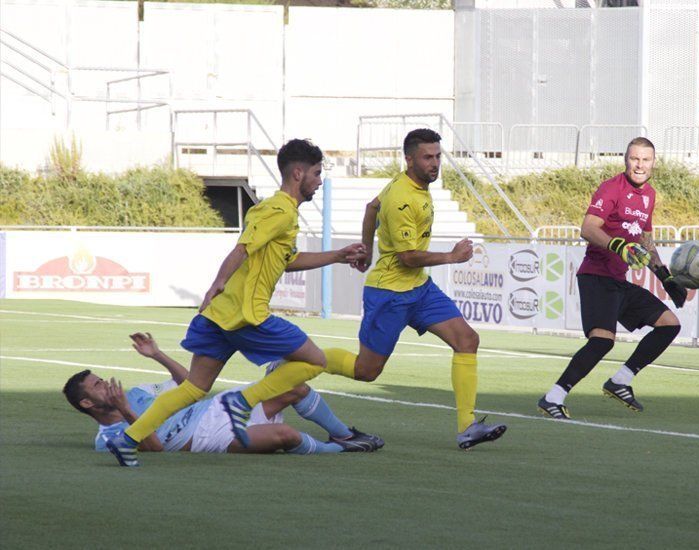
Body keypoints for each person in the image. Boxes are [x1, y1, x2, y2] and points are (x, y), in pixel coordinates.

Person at [106, 138, 367, 467]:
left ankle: (128, 439)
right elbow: (242, 248)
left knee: (193, 388)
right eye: (316, 173)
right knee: (314, 361)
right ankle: (244, 402)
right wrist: (217, 282)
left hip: (219, 317)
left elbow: (286, 259)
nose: (319, 181)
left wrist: (338, 256)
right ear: (298, 173)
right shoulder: (280, 210)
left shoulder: (273, 210)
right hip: (248, 316)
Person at [320, 129, 507, 450]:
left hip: (419, 288)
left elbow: (370, 207)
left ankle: (467, 427)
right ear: (409, 159)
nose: (435, 163)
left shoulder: (410, 184)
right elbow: (407, 257)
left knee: (467, 340)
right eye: (427, 157)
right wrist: (452, 256)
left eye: (437, 156)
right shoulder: (403, 199)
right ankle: (298, 357)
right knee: (366, 372)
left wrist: (366, 248)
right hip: (390, 294)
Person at [537, 137, 688, 418]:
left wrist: (665, 277)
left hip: (619, 280)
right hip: (596, 276)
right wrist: (617, 245)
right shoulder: (611, 188)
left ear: (654, 163)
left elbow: (645, 241)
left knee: (669, 325)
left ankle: (620, 380)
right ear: (626, 160)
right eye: (635, 159)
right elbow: (587, 228)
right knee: (602, 340)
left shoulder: (649, 195)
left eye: (645, 159)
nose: (640, 165)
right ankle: (553, 397)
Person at [64, 334, 383, 457]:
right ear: (87, 404)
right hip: (206, 437)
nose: (106, 384)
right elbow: (155, 447)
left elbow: (189, 385)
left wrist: (157, 355)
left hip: (215, 407)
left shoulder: (136, 392)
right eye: (97, 386)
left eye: (101, 380)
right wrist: (127, 413)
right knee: (285, 434)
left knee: (293, 384)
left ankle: (345, 436)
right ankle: (335, 452)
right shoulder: (106, 439)